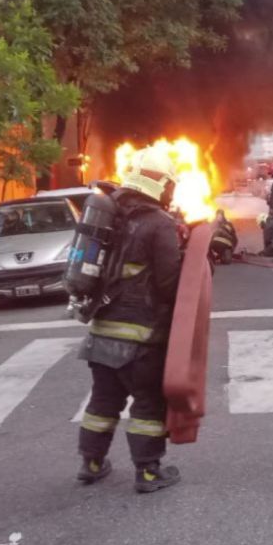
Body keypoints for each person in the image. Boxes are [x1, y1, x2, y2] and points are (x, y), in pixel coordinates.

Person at [76, 145, 183, 494]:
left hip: (101, 332)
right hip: (141, 338)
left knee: (103, 402)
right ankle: (148, 472)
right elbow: (169, 283)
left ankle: (91, 463)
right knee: (148, 403)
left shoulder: (110, 217)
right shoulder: (158, 224)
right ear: (160, 184)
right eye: (169, 184)